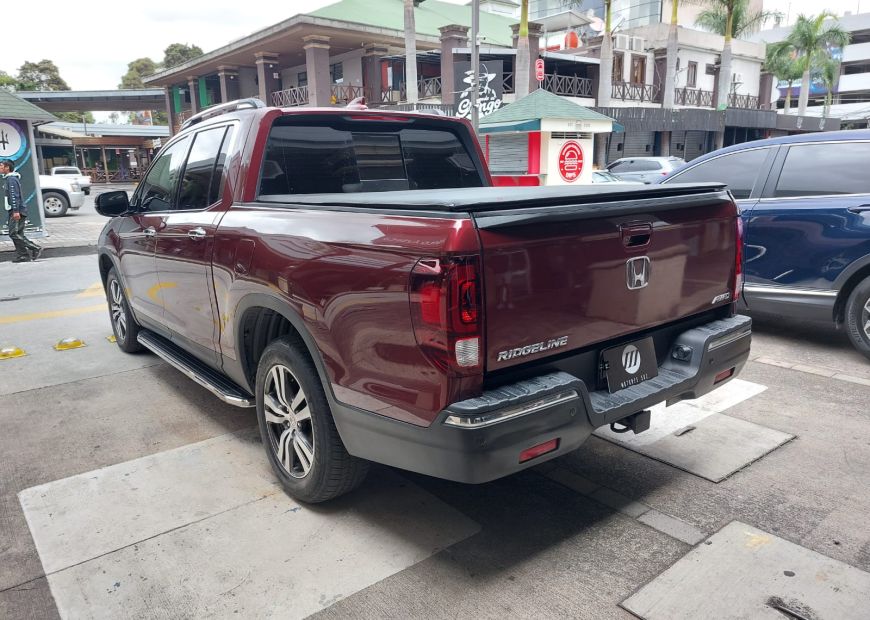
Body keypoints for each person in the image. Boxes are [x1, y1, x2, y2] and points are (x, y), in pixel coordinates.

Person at [2, 160, 42, 263]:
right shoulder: (10, 179)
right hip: (15, 210)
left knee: (14, 233)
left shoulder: (11, 179)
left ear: (7, 168)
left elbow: (14, 196)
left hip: (17, 211)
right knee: (18, 233)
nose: (0, 168)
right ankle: (23, 255)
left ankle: (35, 247)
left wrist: (16, 211)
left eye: (1, 166)